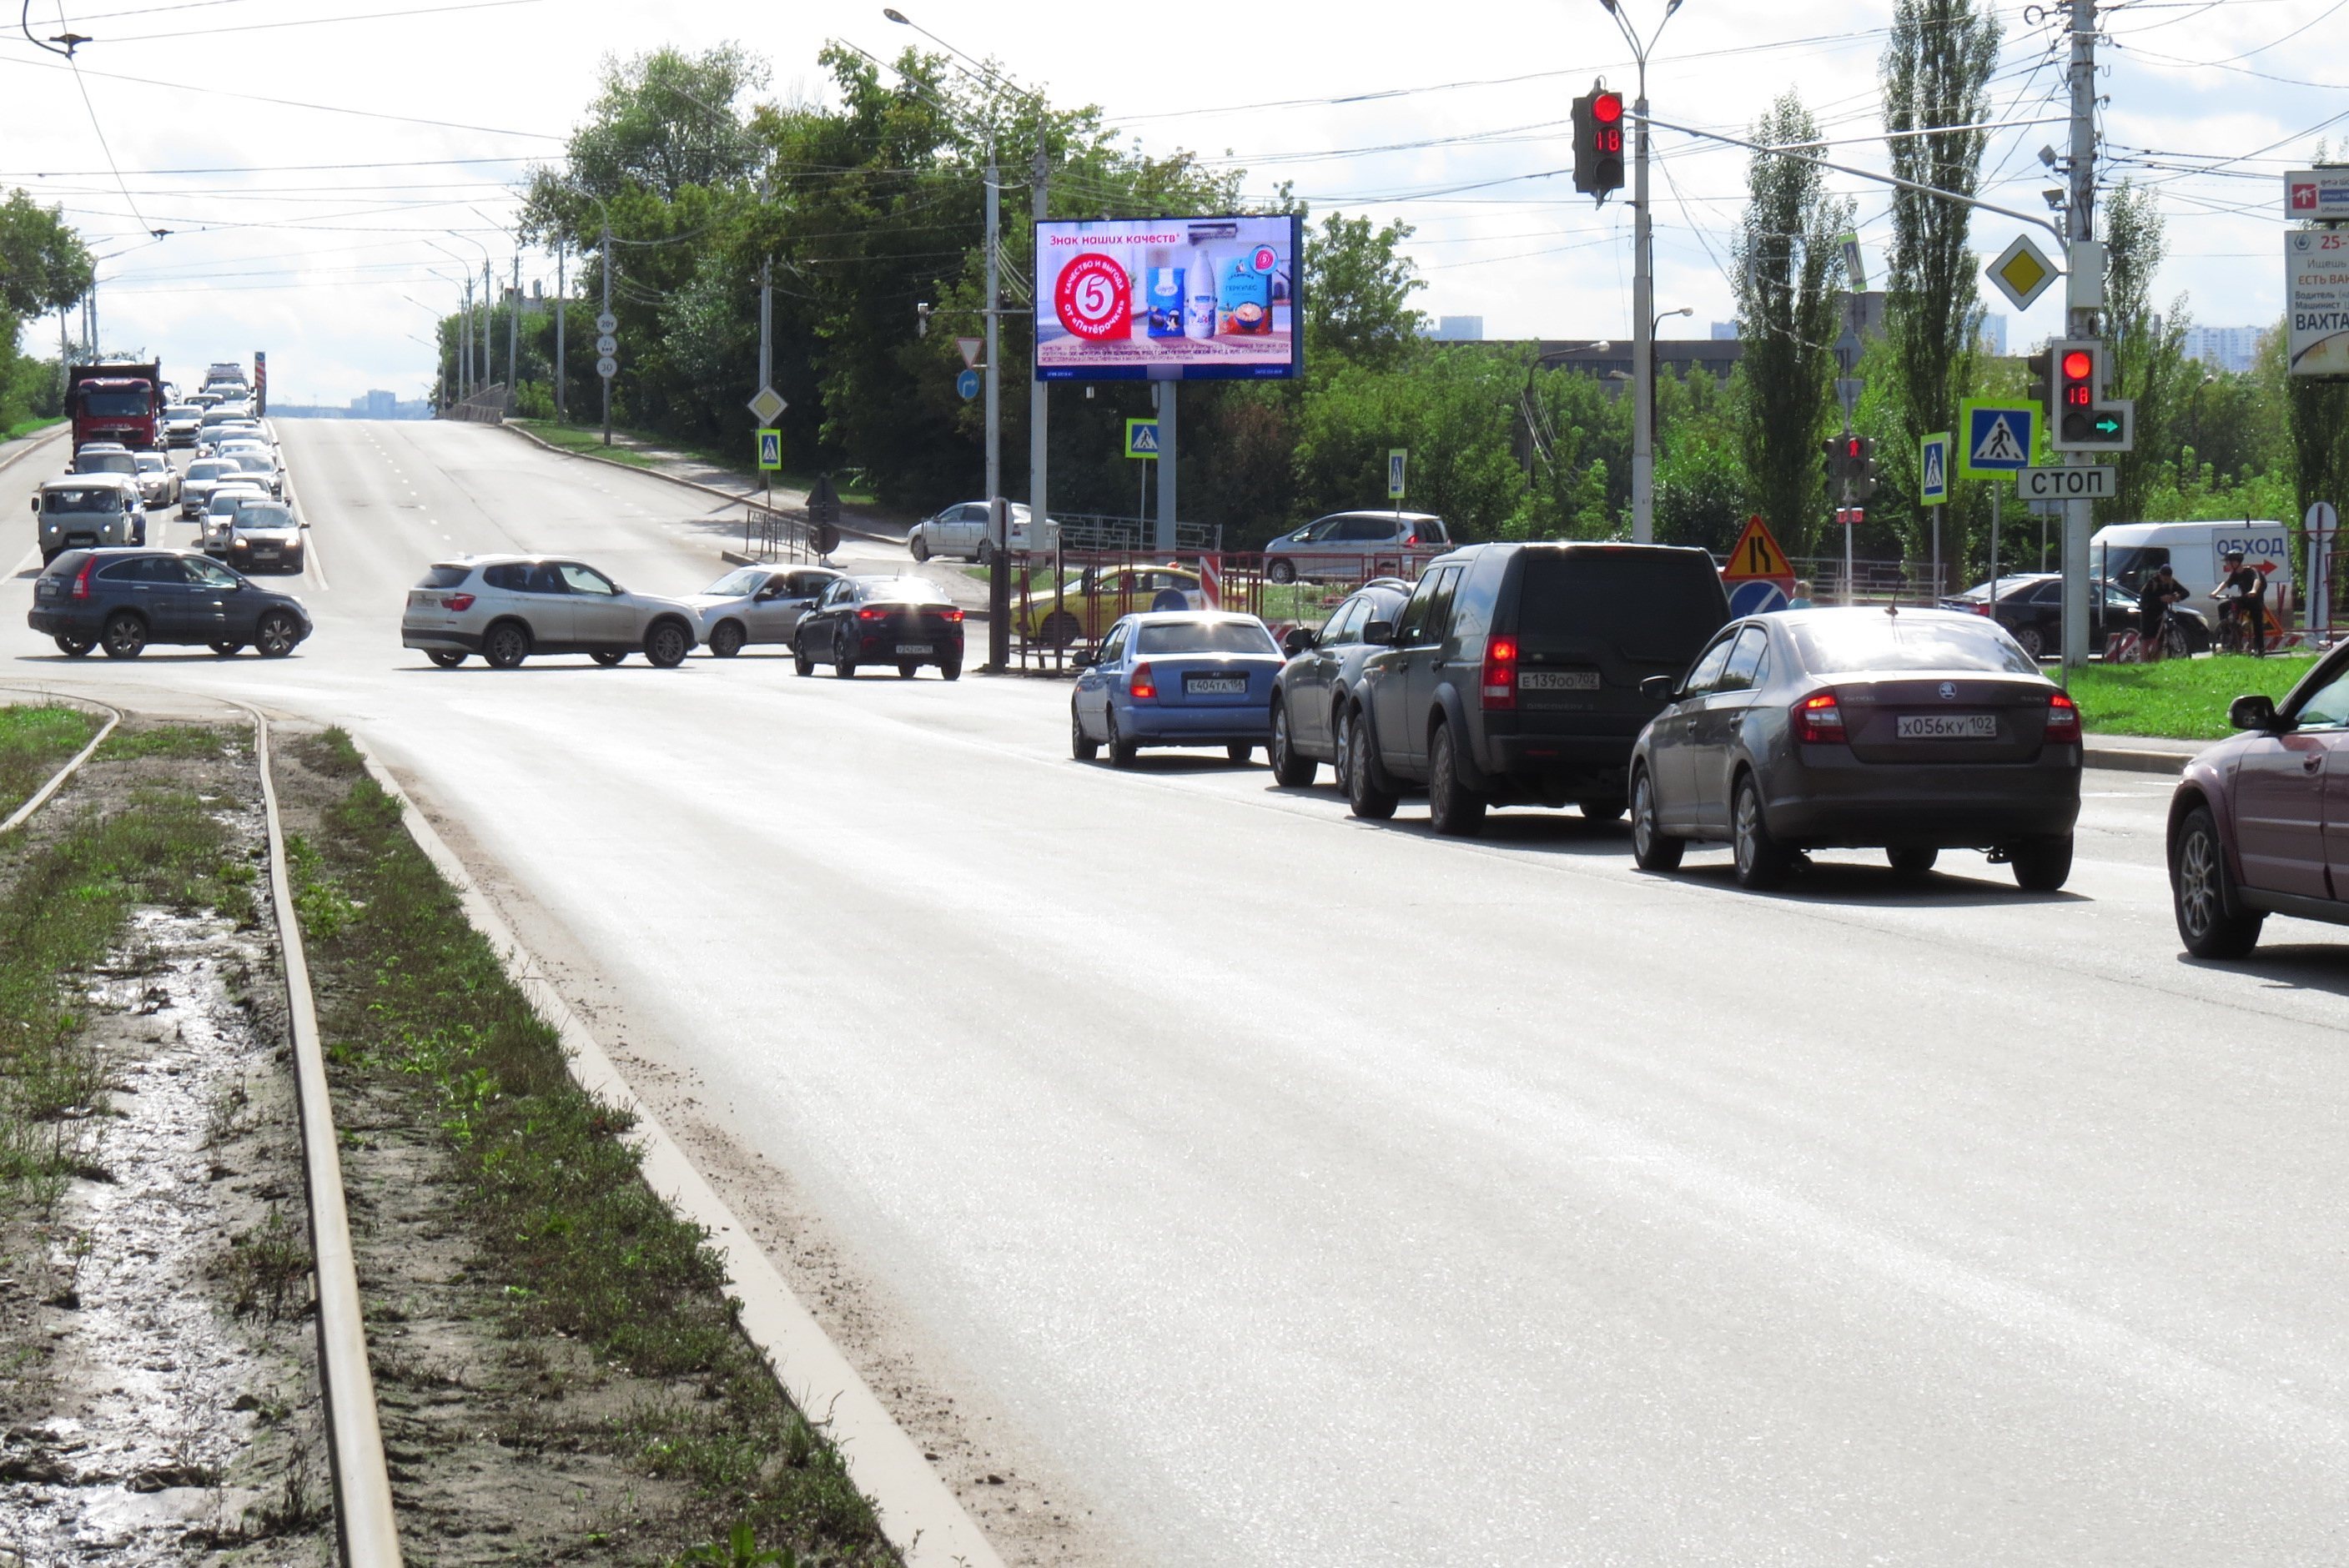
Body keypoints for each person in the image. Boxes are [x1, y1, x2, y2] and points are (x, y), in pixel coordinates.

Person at [2212, 549, 2268, 656]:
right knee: (2223, 606)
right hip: (2243, 599)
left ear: (2235, 562)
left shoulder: (2251, 571)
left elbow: (2257, 581)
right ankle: (2229, 633)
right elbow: (2226, 583)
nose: (2226, 564)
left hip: (2255, 600)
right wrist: (2215, 592)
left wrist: (2254, 590)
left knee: (2257, 621)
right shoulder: (2235, 574)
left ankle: (2260, 649)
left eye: (2228, 562)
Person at [2137, 563, 2190, 660]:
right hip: (2148, 612)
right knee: (2146, 639)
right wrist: (2160, 599)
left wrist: (2177, 597)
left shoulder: (2171, 583)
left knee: (2159, 641)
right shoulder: (2152, 583)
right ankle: (2144, 662)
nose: (2166, 580)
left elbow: (2186, 593)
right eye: (2164, 578)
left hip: (2161, 613)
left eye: (2168, 578)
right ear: (2160, 575)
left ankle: (2156, 662)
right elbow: (2144, 599)